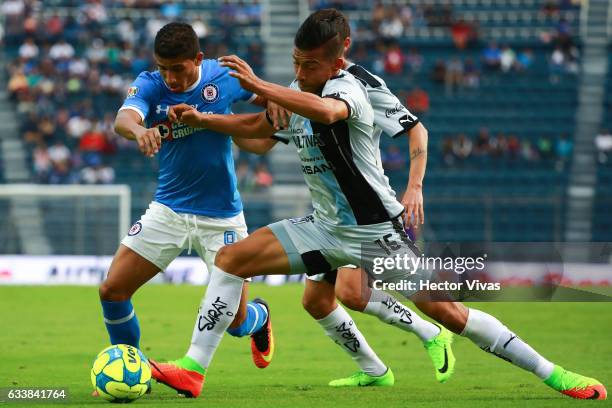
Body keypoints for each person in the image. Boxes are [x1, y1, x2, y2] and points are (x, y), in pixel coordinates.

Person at [153, 10, 607, 401]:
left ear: (338, 57)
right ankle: (193, 370)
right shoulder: (299, 88)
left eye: (310, 64)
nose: (302, 71)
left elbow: (330, 114)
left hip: (375, 233)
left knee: (448, 311)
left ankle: (555, 374)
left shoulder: (352, 86)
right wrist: (205, 120)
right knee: (233, 261)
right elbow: (260, 130)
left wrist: (263, 86)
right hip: (324, 227)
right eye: (296, 62)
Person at [98, 22, 277, 397]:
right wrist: (139, 130)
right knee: (112, 289)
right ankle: (131, 373)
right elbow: (123, 118)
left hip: (222, 217)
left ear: (197, 59)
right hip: (169, 210)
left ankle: (259, 317)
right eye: (163, 68)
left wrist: (271, 107)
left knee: (236, 322)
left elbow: (267, 103)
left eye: (177, 69)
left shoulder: (224, 75)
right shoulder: (150, 84)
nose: (170, 78)